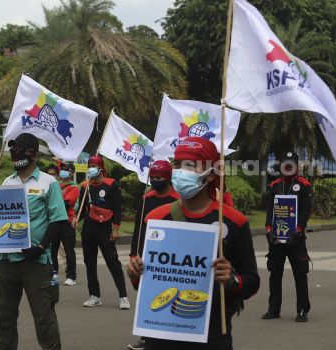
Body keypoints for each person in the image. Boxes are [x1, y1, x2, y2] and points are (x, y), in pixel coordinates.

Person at [127, 137, 260, 349]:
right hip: (160, 334)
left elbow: (252, 282)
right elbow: (146, 282)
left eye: (189, 165)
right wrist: (135, 274)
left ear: (209, 174)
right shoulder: (155, 219)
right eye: (177, 164)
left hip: (212, 336)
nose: (179, 171)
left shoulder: (234, 222)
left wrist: (232, 280)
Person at [0, 132, 67, 350]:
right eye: (12, 151)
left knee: (44, 320)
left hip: (36, 262)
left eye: (19, 151)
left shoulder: (48, 183)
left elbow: (58, 221)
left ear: (32, 154)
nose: (14, 154)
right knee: (5, 319)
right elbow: (1, 220)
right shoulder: (7, 181)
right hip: (7, 261)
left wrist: (41, 247)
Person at [127, 160, 179, 350]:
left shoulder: (178, 199)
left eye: (160, 178)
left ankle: (172, 335)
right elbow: (138, 229)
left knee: (171, 296)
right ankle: (146, 337)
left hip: (171, 257)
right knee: (147, 296)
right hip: (147, 255)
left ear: (168, 178)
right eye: (153, 178)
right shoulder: (146, 199)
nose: (156, 181)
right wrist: (134, 253)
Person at [73, 155, 130, 309]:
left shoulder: (111, 185)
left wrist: (116, 228)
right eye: (89, 165)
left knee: (113, 262)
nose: (91, 168)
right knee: (89, 262)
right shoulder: (86, 187)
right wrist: (76, 219)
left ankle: (123, 296)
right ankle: (94, 295)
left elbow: (117, 208)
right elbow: (83, 208)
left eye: (94, 165)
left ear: (101, 168)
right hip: (89, 229)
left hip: (105, 228)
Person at [262, 150, 312, 322]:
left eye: (291, 164)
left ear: (296, 166)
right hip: (276, 239)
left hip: (295, 239)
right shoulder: (274, 185)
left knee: (300, 274)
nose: (288, 167)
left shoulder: (304, 185)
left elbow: (306, 211)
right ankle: (274, 309)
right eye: (285, 164)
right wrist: (268, 230)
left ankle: (302, 310)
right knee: (275, 273)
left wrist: (298, 230)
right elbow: (269, 211)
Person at [51, 161, 79, 286]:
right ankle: (53, 273)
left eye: (66, 169)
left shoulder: (74, 187)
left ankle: (71, 276)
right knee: (53, 250)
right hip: (55, 221)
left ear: (72, 172)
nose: (62, 171)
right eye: (61, 169)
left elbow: (67, 204)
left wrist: (54, 203)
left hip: (67, 221)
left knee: (68, 250)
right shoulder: (57, 185)